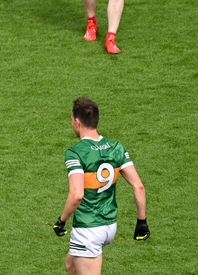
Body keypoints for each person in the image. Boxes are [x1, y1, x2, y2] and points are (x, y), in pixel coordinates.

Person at [52, 97, 150, 275]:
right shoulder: (116, 148)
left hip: (88, 228)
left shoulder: (75, 153)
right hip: (109, 226)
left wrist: (62, 220)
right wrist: (141, 222)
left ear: (77, 121)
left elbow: (77, 195)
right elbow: (138, 187)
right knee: (71, 266)